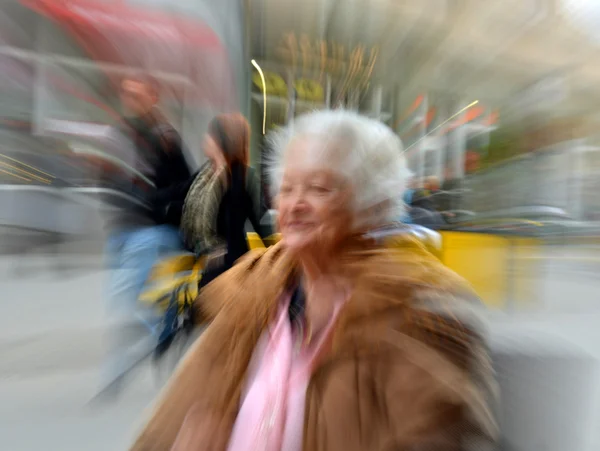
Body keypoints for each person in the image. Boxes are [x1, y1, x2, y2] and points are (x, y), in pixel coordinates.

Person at [129, 110, 498, 450]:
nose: (295, 204)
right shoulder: (259, 283)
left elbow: (433, 432)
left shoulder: (417, 309)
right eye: (288, 188)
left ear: (370, 203)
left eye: (319, 188)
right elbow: (184, 404)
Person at [101, 74, 192, 392]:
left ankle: (122, 365)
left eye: (137, 94)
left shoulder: (165, 137)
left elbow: (186, 183)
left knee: (130, 298)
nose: (131, 100)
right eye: (127, 94)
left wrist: (153, 201)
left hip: (151, 231)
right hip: (121, 230)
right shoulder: (118, 133)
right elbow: (107, 176)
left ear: (153, 98)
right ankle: (164, 336)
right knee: (126, 299)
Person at [180, 113, 272, 288]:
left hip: (227, 263)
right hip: (198, 256)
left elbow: (260, 224)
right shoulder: (204, 174)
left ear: (222, 140)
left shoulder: (244, 177)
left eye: (210, 135)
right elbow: (177, 197)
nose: (205, 139)